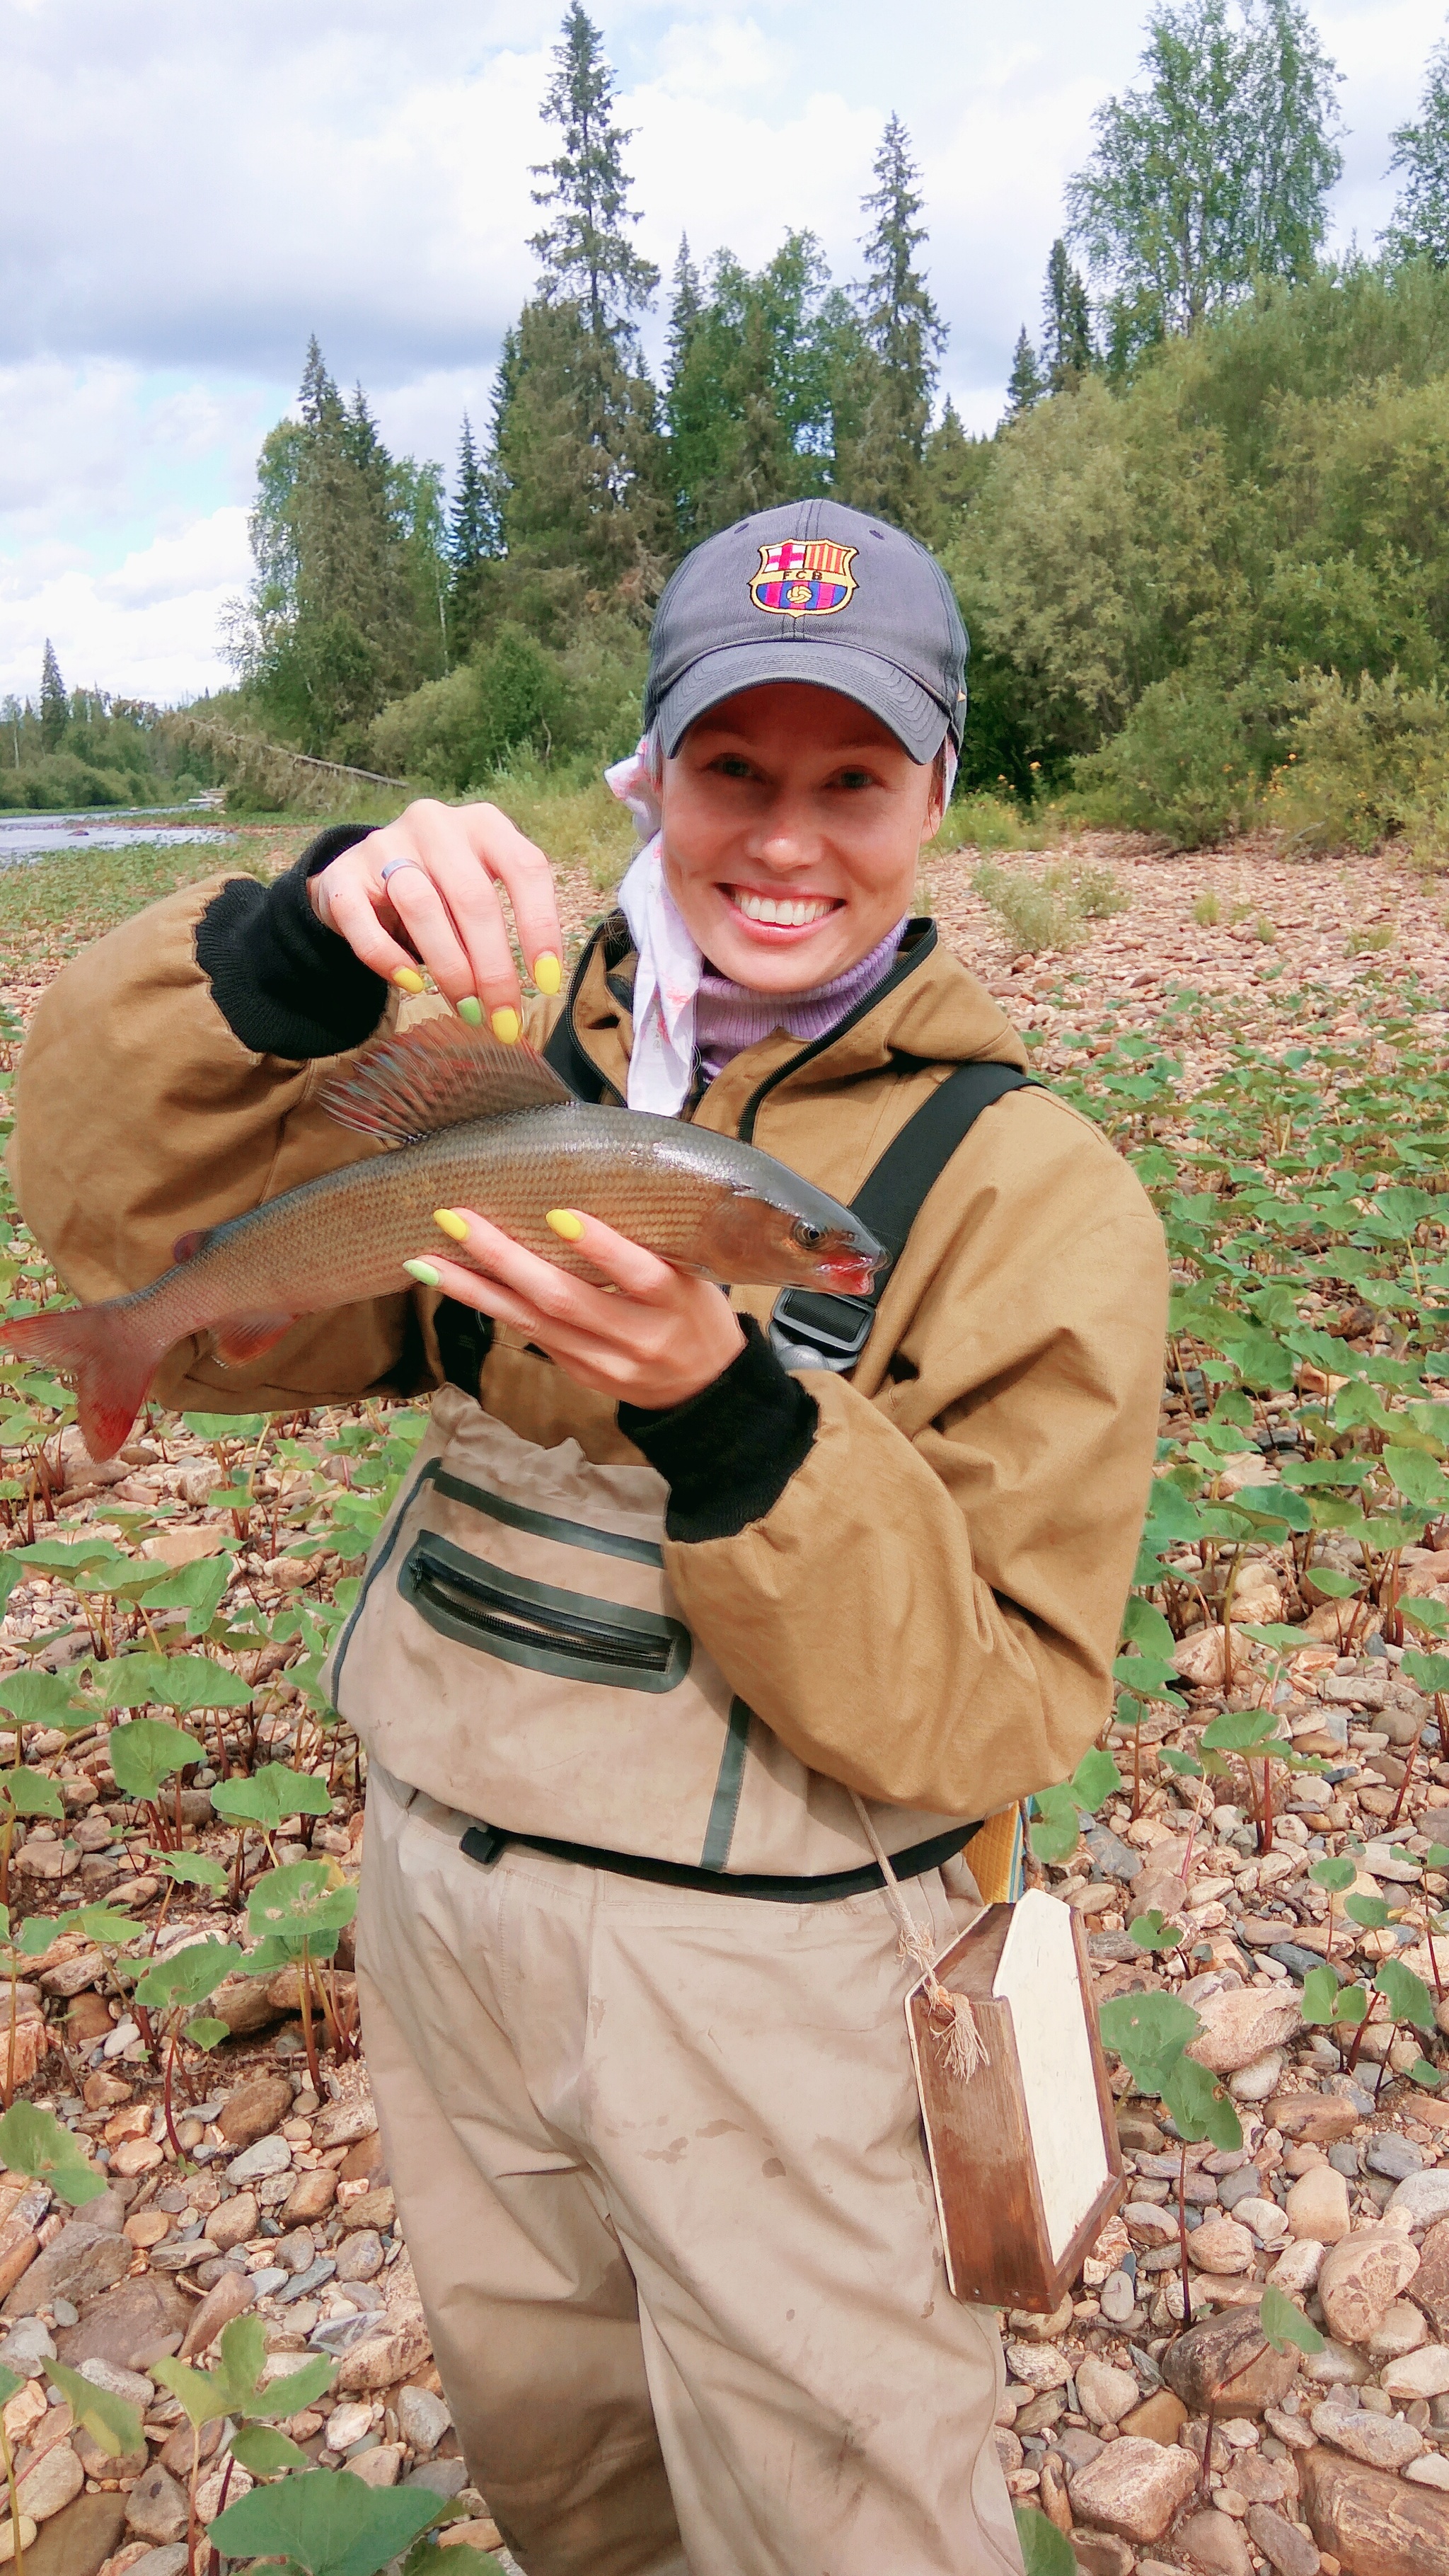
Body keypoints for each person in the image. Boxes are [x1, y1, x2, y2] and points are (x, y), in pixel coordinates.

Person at [12, 500, 1167, 2576]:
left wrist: (728, 1404)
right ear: (652, 775)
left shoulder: (1027, 1191)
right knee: (564, 2467)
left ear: (940, 795)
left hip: (783, 1991)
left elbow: (1003, 1702)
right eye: (735, 771)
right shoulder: (508, 1073)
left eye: (853, 780)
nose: (787, 837)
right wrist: (279, 966)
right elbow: (129, 1242)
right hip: (442, 1935)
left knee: (838, 2507)